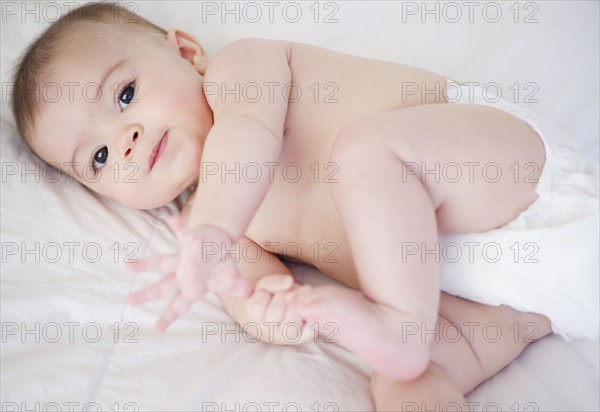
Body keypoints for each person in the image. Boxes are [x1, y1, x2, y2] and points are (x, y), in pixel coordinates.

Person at [12, 3, 598, 410]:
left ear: (187, 52)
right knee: (405, 383)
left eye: (125, 95)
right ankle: (404, 343)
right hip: (508, 298)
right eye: (99, 159)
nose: (128, 140)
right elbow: (259, 307)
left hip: (514, 177)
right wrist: (280, 307)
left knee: (366, 154)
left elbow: (248, 141)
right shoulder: (218, 231)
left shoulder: (241, 71)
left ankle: (396, 326)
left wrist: (212, 231)